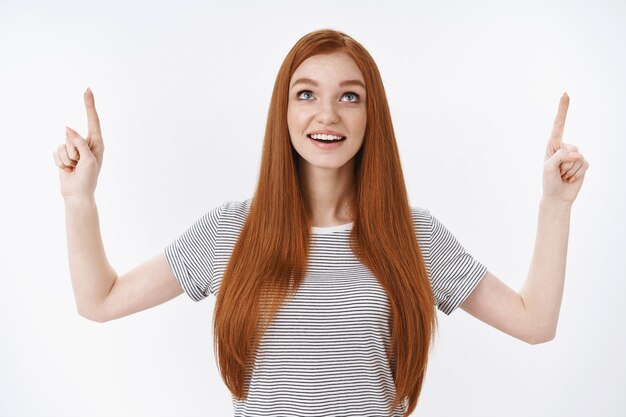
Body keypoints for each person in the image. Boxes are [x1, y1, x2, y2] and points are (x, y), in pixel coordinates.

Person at [52, 29, 589, 417]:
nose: (327, 114)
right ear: (283, 112)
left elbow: (534, 323)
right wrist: (80, 199)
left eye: (349, 97)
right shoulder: (229, 233)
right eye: (306, 93)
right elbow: (99, 301)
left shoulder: (412, 236)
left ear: (369, 114)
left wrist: (555, 206)